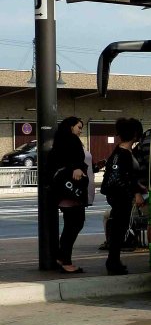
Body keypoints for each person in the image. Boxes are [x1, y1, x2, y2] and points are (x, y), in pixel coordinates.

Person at [102, 117, 147, 275]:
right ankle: (113, 262)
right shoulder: (125, 154)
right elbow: (128, 177)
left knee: (117, 228)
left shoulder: (118, 151)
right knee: (119, 229)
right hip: (122, 195)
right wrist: (137, 193)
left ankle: (113, 260)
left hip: (115, 194)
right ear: (135, 134)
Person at [49, 116, 88, 273]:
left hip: (64, 191)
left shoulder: (59, 141)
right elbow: (72, 160)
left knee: (71, 224)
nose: (80, 131)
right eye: (79, 127)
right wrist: (76, 168)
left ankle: (62, 256)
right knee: (75, 223)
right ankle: (65, 260)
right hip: (71, 191)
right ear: (71, 127)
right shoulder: (71, 140)